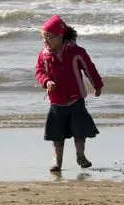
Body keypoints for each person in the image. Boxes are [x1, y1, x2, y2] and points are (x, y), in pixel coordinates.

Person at [35, 15, 104, 172]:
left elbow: (89, 69)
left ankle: (80, 156)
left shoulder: (76, 52)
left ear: (61, 36)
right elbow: (39, 71)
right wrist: (46, 82)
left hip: (75, 100)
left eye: (49, 37)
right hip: (56, 102)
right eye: (43, 38)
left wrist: (97, 85)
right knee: (56, 135)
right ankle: (57, 161)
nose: (45, 41)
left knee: (80, 132)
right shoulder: (44, 55)